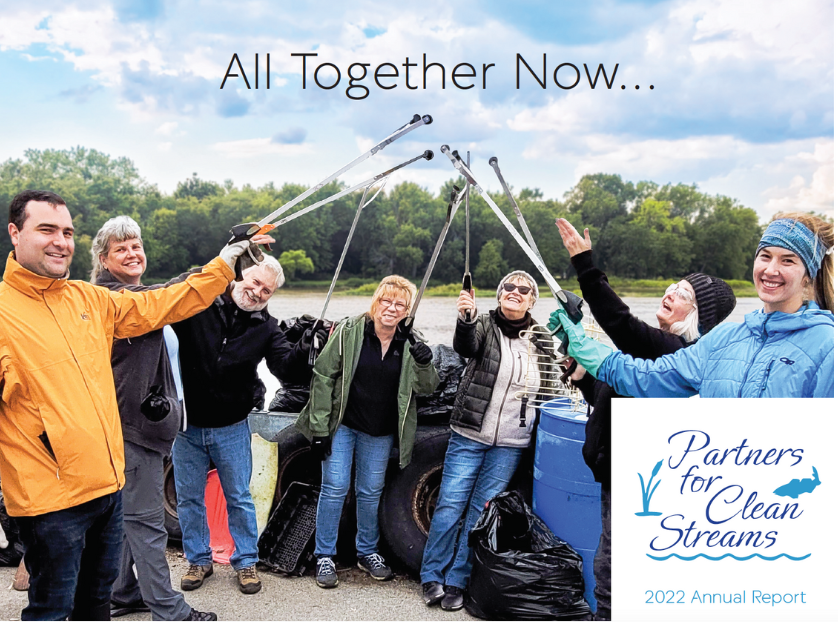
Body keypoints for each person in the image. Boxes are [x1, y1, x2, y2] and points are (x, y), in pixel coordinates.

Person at [0, 190, 253, 620]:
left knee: (96, 607)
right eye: (46, 230)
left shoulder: (88, 300)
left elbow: (165, 301)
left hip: (108, 488)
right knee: (52, 610)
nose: (61, 241)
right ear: (15, 233)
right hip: (50, 504)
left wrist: (225, 262)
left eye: (67, 232)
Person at [552, 217, 737, 620]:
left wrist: (585, 264)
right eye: (673, 286)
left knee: (614, 574)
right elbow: (612, 396)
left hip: (641, 480)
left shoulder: (673, 350)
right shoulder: (655, 349)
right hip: (615, 474)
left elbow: (619, 323)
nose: (671, 294)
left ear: (699, 316)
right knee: (614, 566)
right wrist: (582, 370)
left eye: (683, 294)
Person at [91, 216, 216, 621]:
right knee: (147, 524)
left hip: (144, 430)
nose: (132, 253)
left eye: (136, 245)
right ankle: (169, 610)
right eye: (121, 249)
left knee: (130, 516)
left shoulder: (139, 295)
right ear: (104, 260)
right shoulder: (111, 302)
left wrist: (221, 261)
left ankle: (124, 593)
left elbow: (171, 289)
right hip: (130, 432)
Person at [570, 212, 834, 397]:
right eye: (765, 256)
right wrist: (594, 356)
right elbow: (652, 377)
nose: (771, 269)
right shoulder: (724, 338)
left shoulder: (828, 346)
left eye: (788, 261)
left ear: (808, 274)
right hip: (713, 476)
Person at [171, 253, 312, 596]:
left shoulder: (266, 327)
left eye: (267, 290)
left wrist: (304, 350)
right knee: (189, 498)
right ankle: (198, 559)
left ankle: (246, 561)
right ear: (239, 276)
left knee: (240, 497)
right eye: (255, 282)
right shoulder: (200, 301)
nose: (258, 292)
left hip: (232, 426)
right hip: (186, 425)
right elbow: (175, 289)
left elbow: (285, 369)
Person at [419, 271, 554, 612]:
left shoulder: (541, 338)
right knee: (450, 505)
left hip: (511, 442)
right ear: (498, 295)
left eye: (524, 289)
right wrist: (465, 318)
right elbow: (466, 345)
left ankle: (457, 581)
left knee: (482, 512)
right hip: (470, 433)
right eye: (509, 286)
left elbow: (553, 384)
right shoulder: (483, 324)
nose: (515, 292)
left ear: (532, 300)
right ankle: (431, 575)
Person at [295, 275, 439, 590]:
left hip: (381, 431)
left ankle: (367, 551)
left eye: (400, 304)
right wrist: (320, 429)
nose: (391, 308)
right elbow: (323, 376)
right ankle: (324, 556)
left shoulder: (411, 342)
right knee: (334, 488)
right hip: (343, 426)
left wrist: (426, 363)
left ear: (407, 311)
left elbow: (427, 388)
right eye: (386, 300)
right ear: (376, 301)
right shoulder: (349, 332)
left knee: (370, 492)